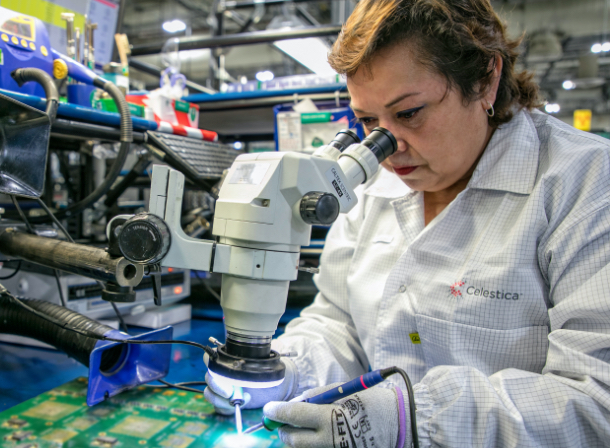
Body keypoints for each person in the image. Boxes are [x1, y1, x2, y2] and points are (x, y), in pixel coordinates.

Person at [205, 0, 610, 446]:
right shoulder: (371, 185)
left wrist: (414, 421)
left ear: (486, 80)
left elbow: (595, 401)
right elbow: (340, 325)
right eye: (366, 121)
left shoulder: (585, 184)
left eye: (408, 113)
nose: (387, 147)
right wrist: (284, 370)